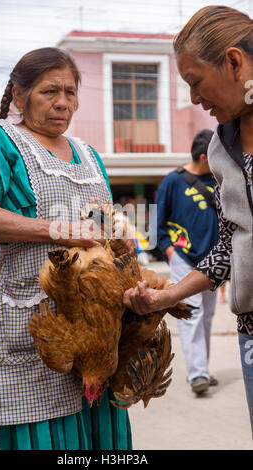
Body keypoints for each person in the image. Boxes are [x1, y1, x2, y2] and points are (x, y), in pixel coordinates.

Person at [0, 47, 134, 451]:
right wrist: (59, 230)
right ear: (19, 95)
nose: (62, 103)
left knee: (99, 431)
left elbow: (101, 218)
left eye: (70, 93)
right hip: (34, 314)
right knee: (43, 433)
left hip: (95, 323)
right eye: (49, 91)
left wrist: (124, 237)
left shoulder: (88, 154)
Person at [123, 5, 253, 436]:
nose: (195, 99)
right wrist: (167, 297)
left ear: (234, 62)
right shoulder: (221, 147)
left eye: (196, 82)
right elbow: (230, 246)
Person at [156, 129, 219, 394]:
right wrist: (169, 251)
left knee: (207, 317)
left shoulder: (219, 178)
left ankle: (200, 367)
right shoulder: (173, 181)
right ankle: (198, 375)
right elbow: (158, 222)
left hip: (213, 260)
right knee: (191, 315)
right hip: (183, 259)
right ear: (204, 156)